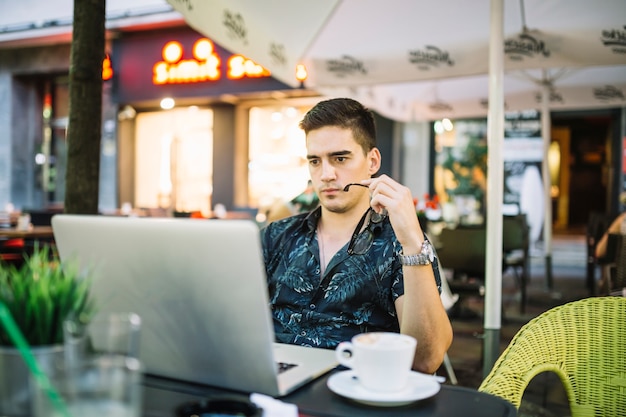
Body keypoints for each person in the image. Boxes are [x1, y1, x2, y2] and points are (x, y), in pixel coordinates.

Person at [260, 98, 453, 374]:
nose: (326, 174)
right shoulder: (276, 236)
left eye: (340, 158)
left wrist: (412, 243)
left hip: (355, 391)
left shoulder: (400, 244)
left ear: (372, 161)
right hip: (274, 386)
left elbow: (426, 359)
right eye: (315, 161)